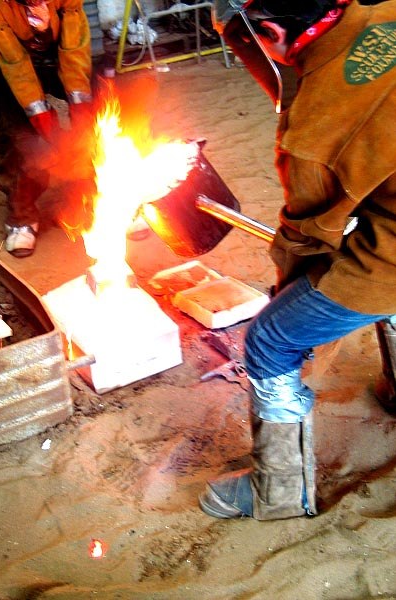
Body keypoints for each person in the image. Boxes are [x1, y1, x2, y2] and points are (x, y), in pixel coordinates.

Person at [199, 0, 396, 521]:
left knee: (271, 338)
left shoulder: (312, 132)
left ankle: (280, 492)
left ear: (269, 30)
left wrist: (285, 297)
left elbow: (310, 241)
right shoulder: (388, 13)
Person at [0, 0, 96, 257]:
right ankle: (22, 218)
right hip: (12, 57)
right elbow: (14, 62)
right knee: (26, 141)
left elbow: (73, 44)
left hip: (58, 46)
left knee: (100, 110)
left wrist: (81, 109)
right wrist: (44, 122)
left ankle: (101, 196)